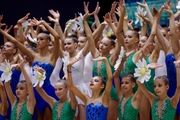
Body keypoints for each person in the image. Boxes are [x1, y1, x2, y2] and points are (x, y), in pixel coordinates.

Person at [0, 18, 61, 120]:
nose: (38, 41)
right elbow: (16, 42)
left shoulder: (53, 56)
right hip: (34, 90)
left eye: (41, 39)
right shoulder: (33, 55)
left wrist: (43, 23)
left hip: (46, 89)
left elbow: (57, 36)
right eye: (37, 39)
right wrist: (1, 31)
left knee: (48, 117)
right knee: (38, 117)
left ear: (48, 42)